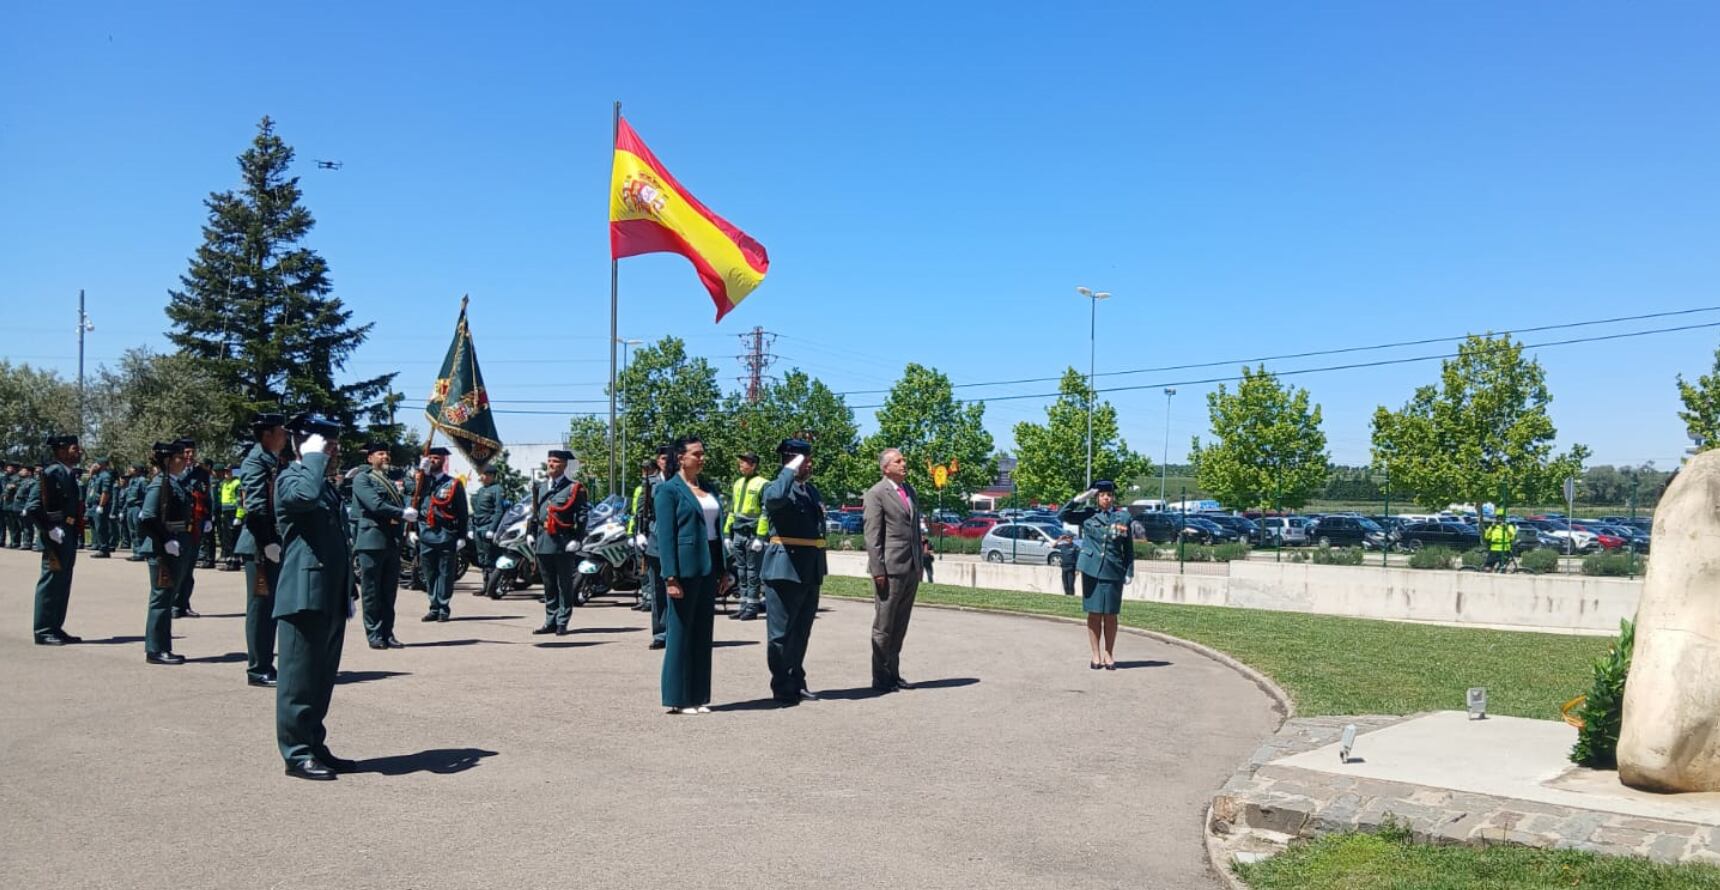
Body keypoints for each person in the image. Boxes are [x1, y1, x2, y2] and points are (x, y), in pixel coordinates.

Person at [274, 413, 359, 781]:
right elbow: (303, 498)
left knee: (322, 678)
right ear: (305, 444)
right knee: (298, 680)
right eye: (326, 443)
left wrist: (348, 588)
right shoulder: (293, 478)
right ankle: (296, 752)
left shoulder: (322, 483)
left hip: (329, 593)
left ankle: (314, 743)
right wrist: (310, 456)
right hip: (302, 593)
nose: (333, 450)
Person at [653, 436, 730, 714]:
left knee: (702, 632)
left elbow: (716, 532)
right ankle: (677, 696)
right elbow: (665, 536)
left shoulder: (708, 488)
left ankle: (698, 696)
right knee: (680, 632)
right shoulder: (668, 490)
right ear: (680, 457)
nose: (701, 458)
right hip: (683, 569)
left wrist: (723, 570)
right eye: (696, 454)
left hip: (708, 565)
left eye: (702, 453)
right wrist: (670, 577)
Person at [760, 438, 827, 704]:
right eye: (803, 460)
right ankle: (781, 684)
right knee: (780, 634)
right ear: (790, 461)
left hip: (810, 569)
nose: (808, 464)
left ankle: (797, 680)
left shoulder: (811, 491)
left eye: (808, 459)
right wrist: (789, 469)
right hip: (785, 567)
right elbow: (774, 499)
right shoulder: (776, 487)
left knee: (801, 630)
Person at [862, 447, 924, 692]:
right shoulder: (876, 493)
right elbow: (872, 535)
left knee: (900, 625)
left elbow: (915, 530)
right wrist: (878, 569)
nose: (904, 463)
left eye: (903, 460)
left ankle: (893, 673)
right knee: (884, 625)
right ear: (885, 467)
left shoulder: (909, 491)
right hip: (889, 569)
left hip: (910, 568)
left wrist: (919, 563)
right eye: (898, 461)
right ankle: (880, 677)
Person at [236, 414, 290, 685]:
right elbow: (255, 507)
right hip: (260, 546)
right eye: (282, 430)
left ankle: (265, 664)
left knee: (270, 608)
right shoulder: (256, 462)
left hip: (272, 543)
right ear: (267, 434)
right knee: (261, 608)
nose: (286, 435)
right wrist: (268, 541)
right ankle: (258, 669)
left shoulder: (274, 461)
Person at [1059, 481, 1134, 670]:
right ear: (1096, 497)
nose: (1106, 498)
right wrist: (1078, 499)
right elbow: (1062, 515)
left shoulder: (1123, 517)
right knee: (1094, 614)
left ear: (1113, 497)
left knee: (1110, 615)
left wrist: (1129, 571)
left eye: (1109, 494)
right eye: (1101, 495)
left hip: (1113, 570)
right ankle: (1095, 655)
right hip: (1091, 570)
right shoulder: (1088, 515)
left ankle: (1109, 654)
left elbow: (1128, 548)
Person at [352, 442, 415, 650]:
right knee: (372, 591)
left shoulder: (391, 479)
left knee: (389, 591)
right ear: (370, 458)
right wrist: (401, 513)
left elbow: (412, 491)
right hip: (371, 541)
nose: (385, 456)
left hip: (391, 542)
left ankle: (388, 632)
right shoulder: (363, 479)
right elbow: (375, 505)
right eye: (380, 453)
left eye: (387, 453)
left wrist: (422, 471)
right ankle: (374, 633)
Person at [25, 435, 86, 645]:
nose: (78, 451)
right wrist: (49, 529)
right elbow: (33, 507)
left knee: (62, 583)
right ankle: (43, 630)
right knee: (51, 583)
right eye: (74, 448)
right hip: (55, 537)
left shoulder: (67, 474)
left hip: (67, 534)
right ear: (61, 451)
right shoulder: (51, 473)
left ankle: (55, 627)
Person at [139, 441, 192, 665]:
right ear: (169, 460)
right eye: (180, 457)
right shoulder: (159, 484)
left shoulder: (173, 483)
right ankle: (156, 649)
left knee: (166, 598)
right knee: (161, 600)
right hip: (162, 550)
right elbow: (147, 518)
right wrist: (167, 540)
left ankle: (162, 646)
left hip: (174, 547)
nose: (185, 460)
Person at [529, 449, 590, 635]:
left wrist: (577, 539)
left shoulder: (574, 488)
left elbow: (582, 516)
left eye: (555, 461)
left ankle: (562, 620)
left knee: (564, 584)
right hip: (543, 541)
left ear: (563, 465)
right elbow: (534, 513)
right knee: (548, 584)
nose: (551, 464)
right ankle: (550, 620)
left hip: (563, 542)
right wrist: (530, 533)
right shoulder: (540, 487)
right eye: (549, 461)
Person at [411, 446, 469, 622]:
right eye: (430, 458)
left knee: (445, 573)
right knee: (429, 572)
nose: (433, 461)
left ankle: (443, 607)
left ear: (444, 461)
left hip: (446, 533)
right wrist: (421, 471)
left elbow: (462, 511)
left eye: (436, 458)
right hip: (425, 533)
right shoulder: (422, 481)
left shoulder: (453, 484)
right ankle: (433, 606)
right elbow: (412, 499)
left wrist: (462, 536)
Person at [628, 448, 669, 645]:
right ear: (658, 461)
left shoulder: (683, 481)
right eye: (662, 457)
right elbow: (642, 512)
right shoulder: (650, 483)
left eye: (670, 457)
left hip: (677, 541)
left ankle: (679, 633)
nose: (666, 461)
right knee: (658, 590)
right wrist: (640, 533)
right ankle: (660, 633)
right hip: (656, 540)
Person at [725, 451, 768, 621]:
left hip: (752, 533)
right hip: (738, 532)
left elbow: (765, 513)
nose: (740, 465)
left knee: (752, 572)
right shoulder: (737, 483)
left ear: (753, 464)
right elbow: (732, 510)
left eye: (743, 462)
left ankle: (752, 607)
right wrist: (727, 533)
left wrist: (761, 537)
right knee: (741, 572)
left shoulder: (763, 484)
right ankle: (743, 605)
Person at [172, 442, 211, 617]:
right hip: (179, 523)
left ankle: (184, 603)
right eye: (186, 452)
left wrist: (209, 518)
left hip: (196, 523)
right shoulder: (174, 470)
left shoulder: (201, 472)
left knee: (189, 567)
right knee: (178, 565)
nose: (189, 455)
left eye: (192, 452)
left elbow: (206, 496)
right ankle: (172, 604)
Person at [470, 464, 505, 594]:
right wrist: (471, 527)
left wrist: (493, 528)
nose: (481, 477)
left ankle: (493, 586)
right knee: (482, 558)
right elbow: (475, 511)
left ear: (491, 475)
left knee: (491, 558)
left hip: (488, 527)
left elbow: (498, 511)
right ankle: (485, 586)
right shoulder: (481, 490)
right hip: (478, 527)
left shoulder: (497, 490)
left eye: (483, 474)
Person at [88, 457, 115, 558]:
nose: (95, 465)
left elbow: (105, 492)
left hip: (101, 505)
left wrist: (101, 505)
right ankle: (101, 547)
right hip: (94, 505)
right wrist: (91, 473)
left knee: (101, 527)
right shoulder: (98, 476)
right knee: (97, 528)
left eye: (97, 464)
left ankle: (104, 549)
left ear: (103, 465)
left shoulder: (106, 476)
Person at [218, 465, 243, 570]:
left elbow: (240, 501)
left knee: (234, 537)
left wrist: (239, 516)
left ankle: (235, 561)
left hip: (234, 512)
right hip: (225, 512)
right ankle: (229, 560)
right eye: (225, 472)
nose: (226, 474)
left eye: (229, 472)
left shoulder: (237, 483)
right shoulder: (223, 483)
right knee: (227, 538)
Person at [125, 466, 150, 560]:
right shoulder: (132, 481)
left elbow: (146, 496)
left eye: (132, 468)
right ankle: (136, 551)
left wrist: (143, 510)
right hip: (130, 507)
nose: (129, 470)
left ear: (137, 470)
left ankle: (141, 553)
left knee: (139, 531)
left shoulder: (142, 481)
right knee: (132, 531)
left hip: (137, 507)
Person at [16, 465, 39, 552]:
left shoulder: (32, 482)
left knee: (28, 526)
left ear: (29, 472)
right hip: (19, 506)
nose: (21, 471)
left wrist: (26, 508)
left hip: (26, 506)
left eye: (23, 470)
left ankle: (28, 543)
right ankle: (25, 542)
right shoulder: (22, 481)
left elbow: (31, 497)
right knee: (23, 525)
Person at [1, 462, 18, 548]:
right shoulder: (4, 478)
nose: (8, 469)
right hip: (4, 504)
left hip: (12, 505)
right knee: (4, 524)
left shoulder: (16, 478)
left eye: (10, 468)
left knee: (13, 525)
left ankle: (14, 542)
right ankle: (2, 541)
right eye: (7, 467)